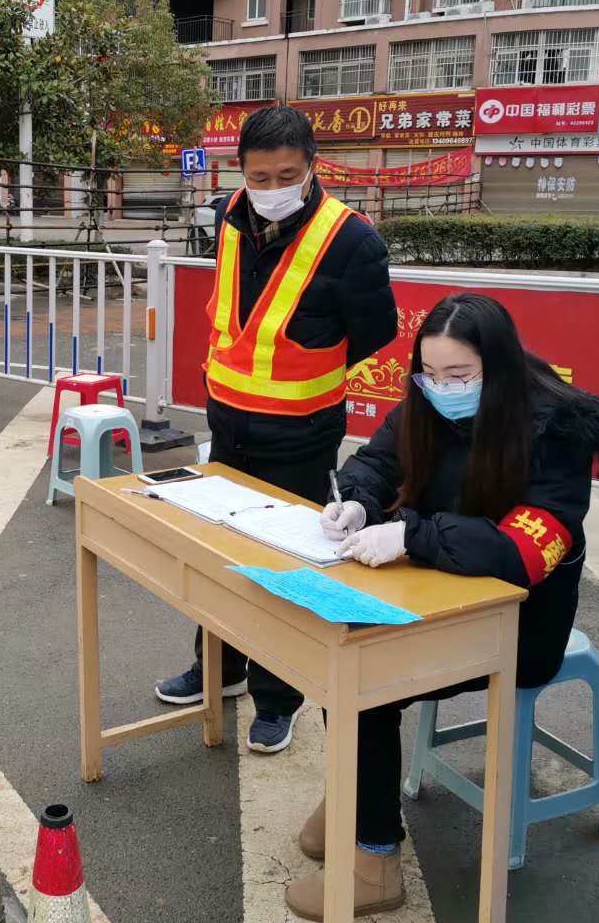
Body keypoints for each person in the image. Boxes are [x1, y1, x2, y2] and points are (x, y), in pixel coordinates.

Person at [284, 292, 599, 920]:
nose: (442, 389)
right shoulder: (427, 401)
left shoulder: (558, 430)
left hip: (521, 624)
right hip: (441, 593)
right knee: (343, 655)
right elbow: (377, 460)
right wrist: (357, 501)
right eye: (430, 374)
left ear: (499, 366)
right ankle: (361, 797)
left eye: (459, 375)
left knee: (369, 680)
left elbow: (521, 555)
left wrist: (413, 534)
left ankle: (374, 859)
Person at [156, 105, 398, 753]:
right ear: (241, 171)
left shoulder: (352, 240)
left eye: (286, 175)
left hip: (301, 434)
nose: (272, 188)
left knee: (284, 568)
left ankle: (278, 697)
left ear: (312, 166)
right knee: (220, 553)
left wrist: (307, 359)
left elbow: (375, 330)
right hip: (227, 424)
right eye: (259, 176)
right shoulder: (230, 218)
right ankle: (217, 668)